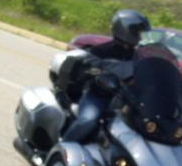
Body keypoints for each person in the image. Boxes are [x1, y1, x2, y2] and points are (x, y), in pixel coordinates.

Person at [61, 9, 151, 144]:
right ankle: (62, 148)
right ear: (125, 30)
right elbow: (88, 70)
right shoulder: (101, 51)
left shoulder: (138, 56)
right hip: (98, 96)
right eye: (137, 32)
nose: (140, 37)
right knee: (89, 120)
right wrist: (102, 75)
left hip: (127, 101)